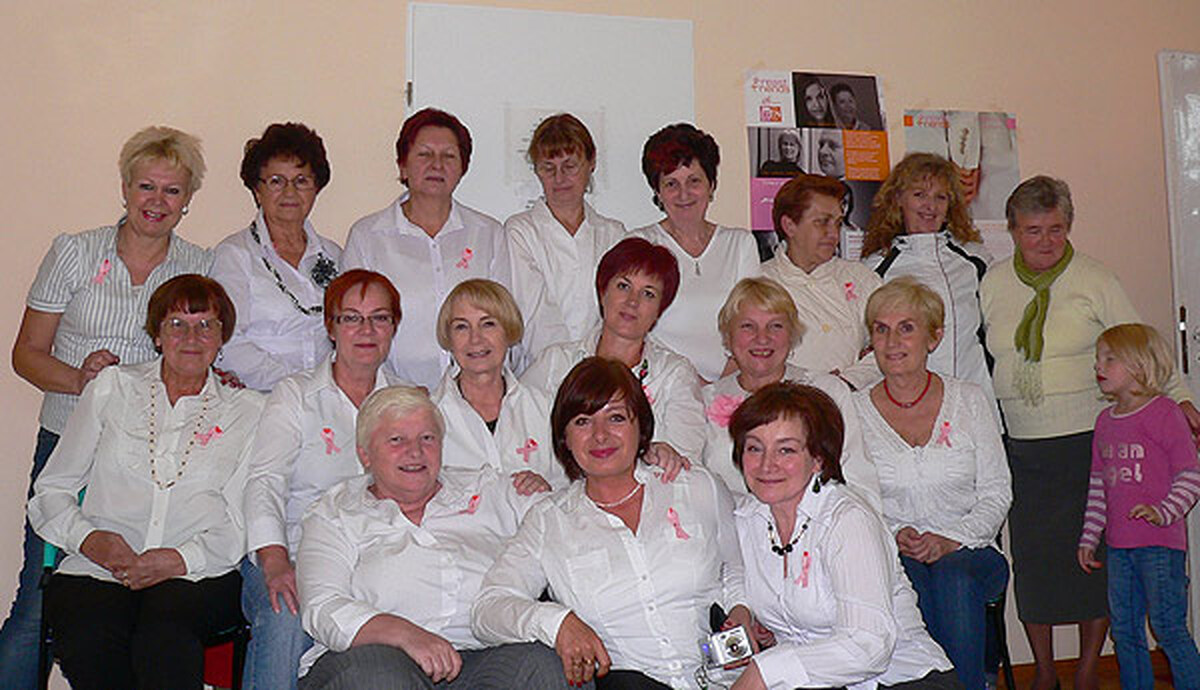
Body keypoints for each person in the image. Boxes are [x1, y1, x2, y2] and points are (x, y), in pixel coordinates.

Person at [3, 126, 212, 688]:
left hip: (146, 462)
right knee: (37, 604)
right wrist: (82, 380)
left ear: (188, 199)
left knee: (129, 602)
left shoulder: (199, 266)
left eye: (172, 191)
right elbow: (26, 354)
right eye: (146, 186)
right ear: (124, 188)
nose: (157, 201)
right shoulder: (74, 252)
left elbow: (200, 356)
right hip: (68, 447)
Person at [980, 175, 1200, 690]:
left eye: (1056, 229)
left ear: (1069, 226)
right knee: (1033, 562)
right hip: (1023, 445)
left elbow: (1140, 344)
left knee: (1094, 561)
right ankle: (1045, 673)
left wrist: (1182, 398)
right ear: (1013, 230)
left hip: (1088, 440)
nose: (1046, 241)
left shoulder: (1095, 278)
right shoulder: (992, 282)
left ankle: (1084, 671)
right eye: (1033, 230)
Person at [28, 275, 264, 689]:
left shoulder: (249, 410)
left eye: (205, 325)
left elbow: (241, 518)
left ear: (221, 336)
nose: (191, 337)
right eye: (176, 324)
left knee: (164, 640)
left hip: (197, 574)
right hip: (99, 568)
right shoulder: (112, 388)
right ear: (156, 335)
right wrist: (89, 539)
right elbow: (52, 490)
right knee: (90, 639)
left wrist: (178, 559)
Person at [473, 357, 752, 689]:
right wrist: (558, 623)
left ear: (641, 426)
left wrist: (741, 609)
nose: (600, 435)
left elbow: (735, 566)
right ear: (564, 438)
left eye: (616, 417)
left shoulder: (695, 485)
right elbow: (488, 609)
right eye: (582, 421)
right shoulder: (549, 520)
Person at [295, 385, 570, 689]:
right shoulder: (335, 512)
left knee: (544, 665)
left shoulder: (490, 490)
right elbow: (322, 606)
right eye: (397, 440)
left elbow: (567, 522)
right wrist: (405, 635)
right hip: (373, 658)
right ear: (365, 454)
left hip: (484, 657)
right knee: (380, 678)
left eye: (427, 438)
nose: (415, 451)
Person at [725, 382, 960, 690]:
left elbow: (868, 646)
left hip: (902, 681)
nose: (767, 465)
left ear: (818, 459)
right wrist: (742, 611)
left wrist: (766, 670)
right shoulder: (749, 517)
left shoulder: (848, 519)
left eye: (786, 450)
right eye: (755, 448)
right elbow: (735, 572)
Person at [240, 270, 403, 689]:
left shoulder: (408, 401)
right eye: (351, 318)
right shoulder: (294, 394)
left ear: (394, 327)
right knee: (287, 614)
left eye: (379, 318)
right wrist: (276, 562)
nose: (366, 330)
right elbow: (265, 481)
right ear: (331, 327)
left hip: (376, 558)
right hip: (293, 551)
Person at [853, 278, 1010, 690]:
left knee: (952, 577)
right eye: (881, 329)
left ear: (934, 337)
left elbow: (997, 492)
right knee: (913, 583)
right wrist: (894, 533)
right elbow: (856, 499)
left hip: (972, 551)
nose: (892, 342)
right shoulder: (854, 411)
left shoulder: (969, 399)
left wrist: (950, 539)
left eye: (906, 328)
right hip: (895, 554)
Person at [341, 107, 511, 390]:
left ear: (462, 168)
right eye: (424, 154)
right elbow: (353, 330)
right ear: (403, 166)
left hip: (475, 394)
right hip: (393, 396)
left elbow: (504, 322)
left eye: (449, 156)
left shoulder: (488, 234)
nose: (437, 165)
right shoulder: (368, 237)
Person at [1078, 323, 1200, 690]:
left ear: (1140, 365)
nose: (1098, 365)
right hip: (1119, 548)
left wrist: (1163, 511)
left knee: (1167, 626)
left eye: (1109, 359)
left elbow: (1190, 476)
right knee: (1125, 629)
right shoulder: (1104, 422)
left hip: (1159, 546)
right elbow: (1098, 486)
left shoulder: (1165, 413)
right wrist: (1089, 537)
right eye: (1098, 358)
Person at [522, 237, 706, 466]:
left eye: (648, 294)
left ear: (660, 309)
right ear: (602, 292)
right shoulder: (555, 363)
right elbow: (520, 437)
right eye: (623, 286)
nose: (632, 301)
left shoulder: (674, 374)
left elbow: (684, 461)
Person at [701, 277, 879, 512]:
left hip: (818, 527)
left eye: (775, 326)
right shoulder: (703, 401)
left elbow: (859, 484)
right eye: (747, 326)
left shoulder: (827, 392)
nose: (762, 338)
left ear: (792, 335)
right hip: (728, 528)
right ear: (728, 337)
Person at [863, 153, 998, 424]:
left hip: (975, 404)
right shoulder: (875, 269)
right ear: (898, 199)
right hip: (907, 410)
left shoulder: (976, 260)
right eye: (919, 194)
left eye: (941, 197)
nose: (930, 206)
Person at [209, 122, 342, 391]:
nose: (290, 192)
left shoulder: (334, 255)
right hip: (259, 396)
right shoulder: (235, 255)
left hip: (329, 396)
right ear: (257, 190)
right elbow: (227, 340)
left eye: (301, 181)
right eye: (276, 181)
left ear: (316, 188)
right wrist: (296, 387)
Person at [632, 123, 761, 382]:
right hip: (662, 385)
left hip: (735, 383)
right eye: (671, 183)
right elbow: (634, 331)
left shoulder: (740, 244)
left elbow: (754, 322)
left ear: (711, 185)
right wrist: (691, 385)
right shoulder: (639, 244)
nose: (684, 194)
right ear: (657, 191)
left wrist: (722, 386)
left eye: (694, 181)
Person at [506, 113, 626, 362]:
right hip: (541, 371)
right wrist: (572, 370)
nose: (559, 178)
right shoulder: (520, 232)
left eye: (570, 166)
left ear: (591, 163)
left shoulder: (614, 235)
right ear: (537, 171)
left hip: (603, 370)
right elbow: (533, 316)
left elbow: (620, 313)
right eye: (548, 168)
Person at [432, 279, 566, 490]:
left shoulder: (546, 408)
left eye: (488, 324)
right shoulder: (428, 416)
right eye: (461, 327)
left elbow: (573, 486)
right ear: (449, 338)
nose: (475, 339)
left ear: (508, 331)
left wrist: (548, 489)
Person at [761, 173, 882, 390]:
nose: (833, 233)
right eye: (822, 222)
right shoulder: (760, 282)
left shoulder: (862, 278)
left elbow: (889, 345)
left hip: (850, 401)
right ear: (789, 225)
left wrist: (845, 382)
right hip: (781, 401)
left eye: (837, 223)